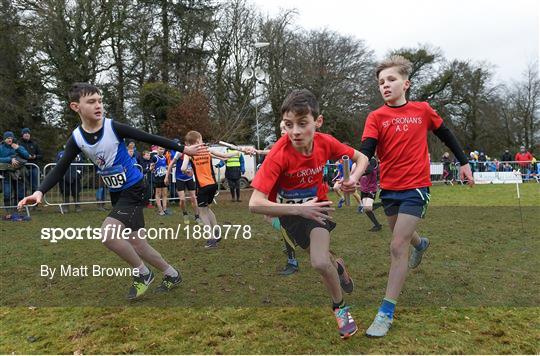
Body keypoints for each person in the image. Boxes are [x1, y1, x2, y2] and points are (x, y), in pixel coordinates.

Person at [18, 82, 208, 299]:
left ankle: (143, 273)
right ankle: (172, 274)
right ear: (75, 107)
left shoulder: (112, 127)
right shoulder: (77, 138)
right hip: (117, 192)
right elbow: (60, 168)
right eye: (91, 102)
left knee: (108, 235)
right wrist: (40, 192)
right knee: (137, 243)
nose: (98, 105)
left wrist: (184, 149)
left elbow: (148, 137)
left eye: (100, 100)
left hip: (135, 188)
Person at [349, 56, 474, 337]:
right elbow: (366, 152)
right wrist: (354, 178)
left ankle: (386, 313)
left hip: (416, 187)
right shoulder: (376, 117)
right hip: (390, 188)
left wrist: (464, 162)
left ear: (406, 83)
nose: (385, 85)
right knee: (401, 236)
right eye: (381, 82)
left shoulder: (423, 110)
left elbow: (447, 135)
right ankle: (421, 244)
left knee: (396, 245)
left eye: (391, 79)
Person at [249, 89, 363, 339]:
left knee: (319, 262)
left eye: (302, 124)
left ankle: (340, 309)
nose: (295, 132)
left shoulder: (326, 142)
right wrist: (298, 209)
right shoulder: (279, 154)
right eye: (289, 125)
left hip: (318, 209)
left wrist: (351, 179)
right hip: (291, 214)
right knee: (322, 259)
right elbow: (254, 203)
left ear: (317, 121)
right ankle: (339, 266)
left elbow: (361, 157)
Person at [184, 130, 243, 248]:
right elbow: (225, 156)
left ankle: (211, 239)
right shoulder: (208, 150)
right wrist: (239, 151)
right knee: (207, 208)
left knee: (202, 213)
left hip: (202, 186)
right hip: (213, 185)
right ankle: (216, 232)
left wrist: (187, 171)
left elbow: (183, 167)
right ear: (198, 141)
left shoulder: (189, 154)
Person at [165, 147, 202, 225]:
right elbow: (171, 164)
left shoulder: (192, 153)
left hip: (189, 178)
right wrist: (166, 176)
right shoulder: (179, 153)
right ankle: (185, 214)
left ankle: (197, 216)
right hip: (179, 178)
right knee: (182, 199)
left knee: (194, 198)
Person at [1, 131, 30, 211]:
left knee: (20, 190)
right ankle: (8, 209)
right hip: (6, 172)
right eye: (8, 138)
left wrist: (17, 148)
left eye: (11, 138)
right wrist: (10, 159)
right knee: (7, 192)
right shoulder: (1, 147)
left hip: (19, 172)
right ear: (4, 139)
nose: (10, 139)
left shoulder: (18, 146)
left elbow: (27, 156)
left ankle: (18, 207)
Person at [359, 157, 383, 231]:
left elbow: (369, 170)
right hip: (363, 188)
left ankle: (382, 204)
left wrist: (358, 173)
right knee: (366, 210)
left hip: (371, 188)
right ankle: (377, 225)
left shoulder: (372, 160)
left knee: (367, 208)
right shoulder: (360, 160)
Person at [19, 128, 43, 194]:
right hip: (23, 168)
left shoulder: (34, 144)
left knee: (35, 187)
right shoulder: (19, 143)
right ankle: (23, 203)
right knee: (23, 187)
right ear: (22, 134)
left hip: (34, 168)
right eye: (25, 133)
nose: (27, 134)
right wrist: (26, 157)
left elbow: (41, 155)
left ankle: (34, 203)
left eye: (28, 133)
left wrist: (35, 156)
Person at [152, 146, 169, 216]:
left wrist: (167, 168)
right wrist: (152, 168)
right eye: (160, 149)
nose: (162, 150)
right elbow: (152, 166)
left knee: (165, 194)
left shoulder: (165, 157)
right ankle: (160, 210)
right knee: (158, 194)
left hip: (164, 178)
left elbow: (165, 166)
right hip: (158, 178)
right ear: (157, 150)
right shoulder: (155, 157)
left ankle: (165, 209)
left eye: (163, 149)